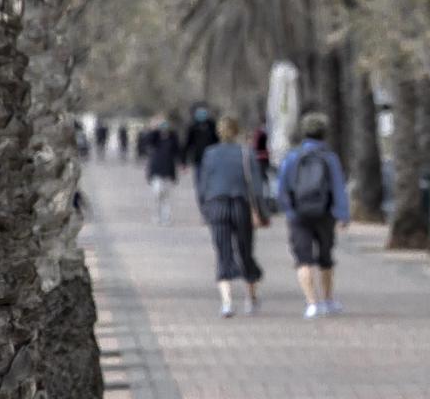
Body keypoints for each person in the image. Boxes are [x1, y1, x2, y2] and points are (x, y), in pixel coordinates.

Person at [276, 111, 350, 318]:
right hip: (324, 214)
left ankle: (311, 303)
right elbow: (338, 187)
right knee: (325, 259)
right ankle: (328, 299)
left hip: (299, 214)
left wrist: (289, 210)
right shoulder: (329, 158)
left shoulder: (292, 157)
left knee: (303, 259)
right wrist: (342, 214)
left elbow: (281, 187)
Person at [194, 117, 266, 316]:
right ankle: (251, 298)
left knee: (222, 251)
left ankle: (227, 302)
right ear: (237, 131)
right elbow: (257, 186)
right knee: (245, 251)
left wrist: (204, 209)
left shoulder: (209, 154)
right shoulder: (246, 152)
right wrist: (260, 211)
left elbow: (203, 184)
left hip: (217, 205)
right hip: (240, 205)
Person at [142, 117, 182, 225]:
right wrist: (153, 128)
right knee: (157, 193)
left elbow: (178, 151)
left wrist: (182, 164)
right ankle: (157, 215)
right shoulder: (155, 137)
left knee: (167, 196)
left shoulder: (173, 136)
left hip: (169, 170)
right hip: (156, 170)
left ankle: (166, 218)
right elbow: (146, 141)